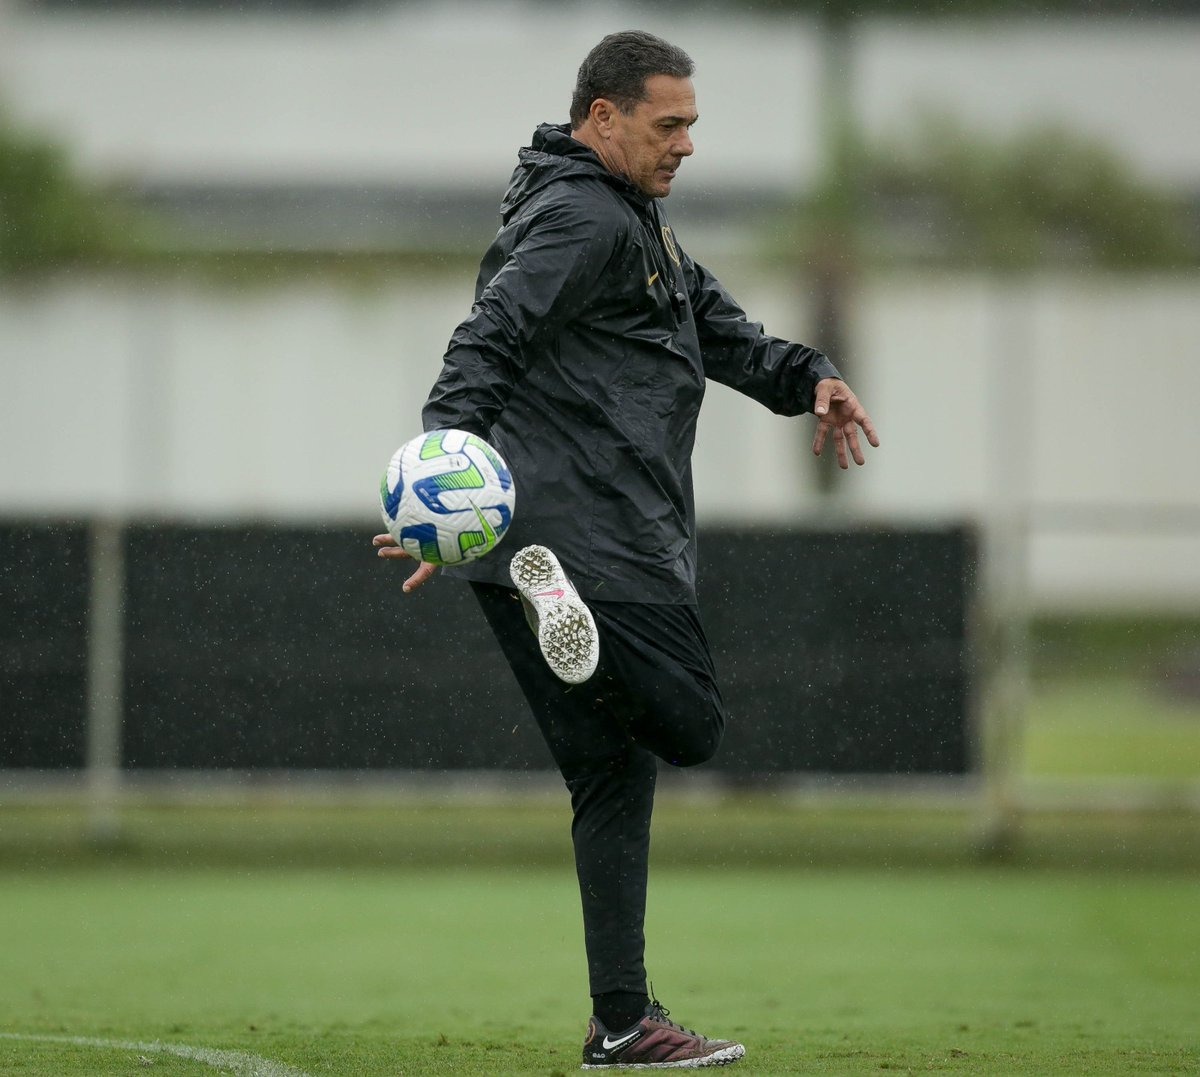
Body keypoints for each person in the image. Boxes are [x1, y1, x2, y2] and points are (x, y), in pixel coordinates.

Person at [374, 29, 879, 1070]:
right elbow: (488, 336)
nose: (687, 143)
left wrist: (810, 378)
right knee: (690, 723)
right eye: (669, 124)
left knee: (611, 779)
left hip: (525, 547)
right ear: (602, 117)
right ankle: (582, 636)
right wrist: (441, 475)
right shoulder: (585, 217)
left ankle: (621, 1022)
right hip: (595, 539)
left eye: (692, 124)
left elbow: (721, 333)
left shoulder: (624, 220)